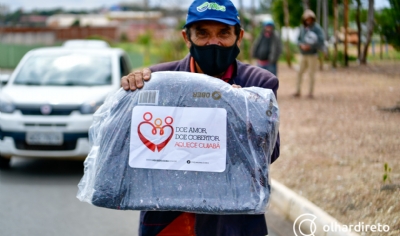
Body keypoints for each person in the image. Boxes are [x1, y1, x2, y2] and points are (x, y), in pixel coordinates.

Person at [121, 0, 280, 235]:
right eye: (203, 33)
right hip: (167, 219)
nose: (213, 43)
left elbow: (270, 152)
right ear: (187, 37)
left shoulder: (259, 84)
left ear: (239, 36)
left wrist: (239, 112)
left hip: (233, 220)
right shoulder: (156, 81)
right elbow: (128, 150)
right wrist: (128, 95)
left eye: (224, 33)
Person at [294, 9, 325, 98]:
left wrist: (310, 46)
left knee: (311, 74)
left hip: (312, 54)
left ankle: (310, 92)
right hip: (303, 54)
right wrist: (301, 45)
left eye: (310, 19)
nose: (308, 20)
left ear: (313, 19)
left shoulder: (317, 28)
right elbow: (298, 39)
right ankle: (297, 90)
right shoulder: (302, 28)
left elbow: (321, 40)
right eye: (306, 19)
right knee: (299, 72)